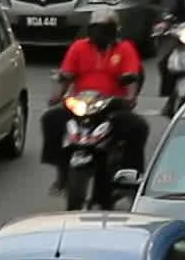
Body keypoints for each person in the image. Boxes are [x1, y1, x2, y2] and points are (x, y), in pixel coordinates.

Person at [41, 10, 148, 191]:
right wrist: (57, 95)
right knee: (51, 119)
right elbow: (66, 75)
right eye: (96, 29)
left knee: (138, 127)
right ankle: (61, 170)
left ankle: (130, 177)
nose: (100, 34)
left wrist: (130, 98)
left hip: (112, 105)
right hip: (81, 104)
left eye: (105, 29)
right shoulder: (78, 47)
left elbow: (132, 76)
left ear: (114, 31)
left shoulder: (125, 49)